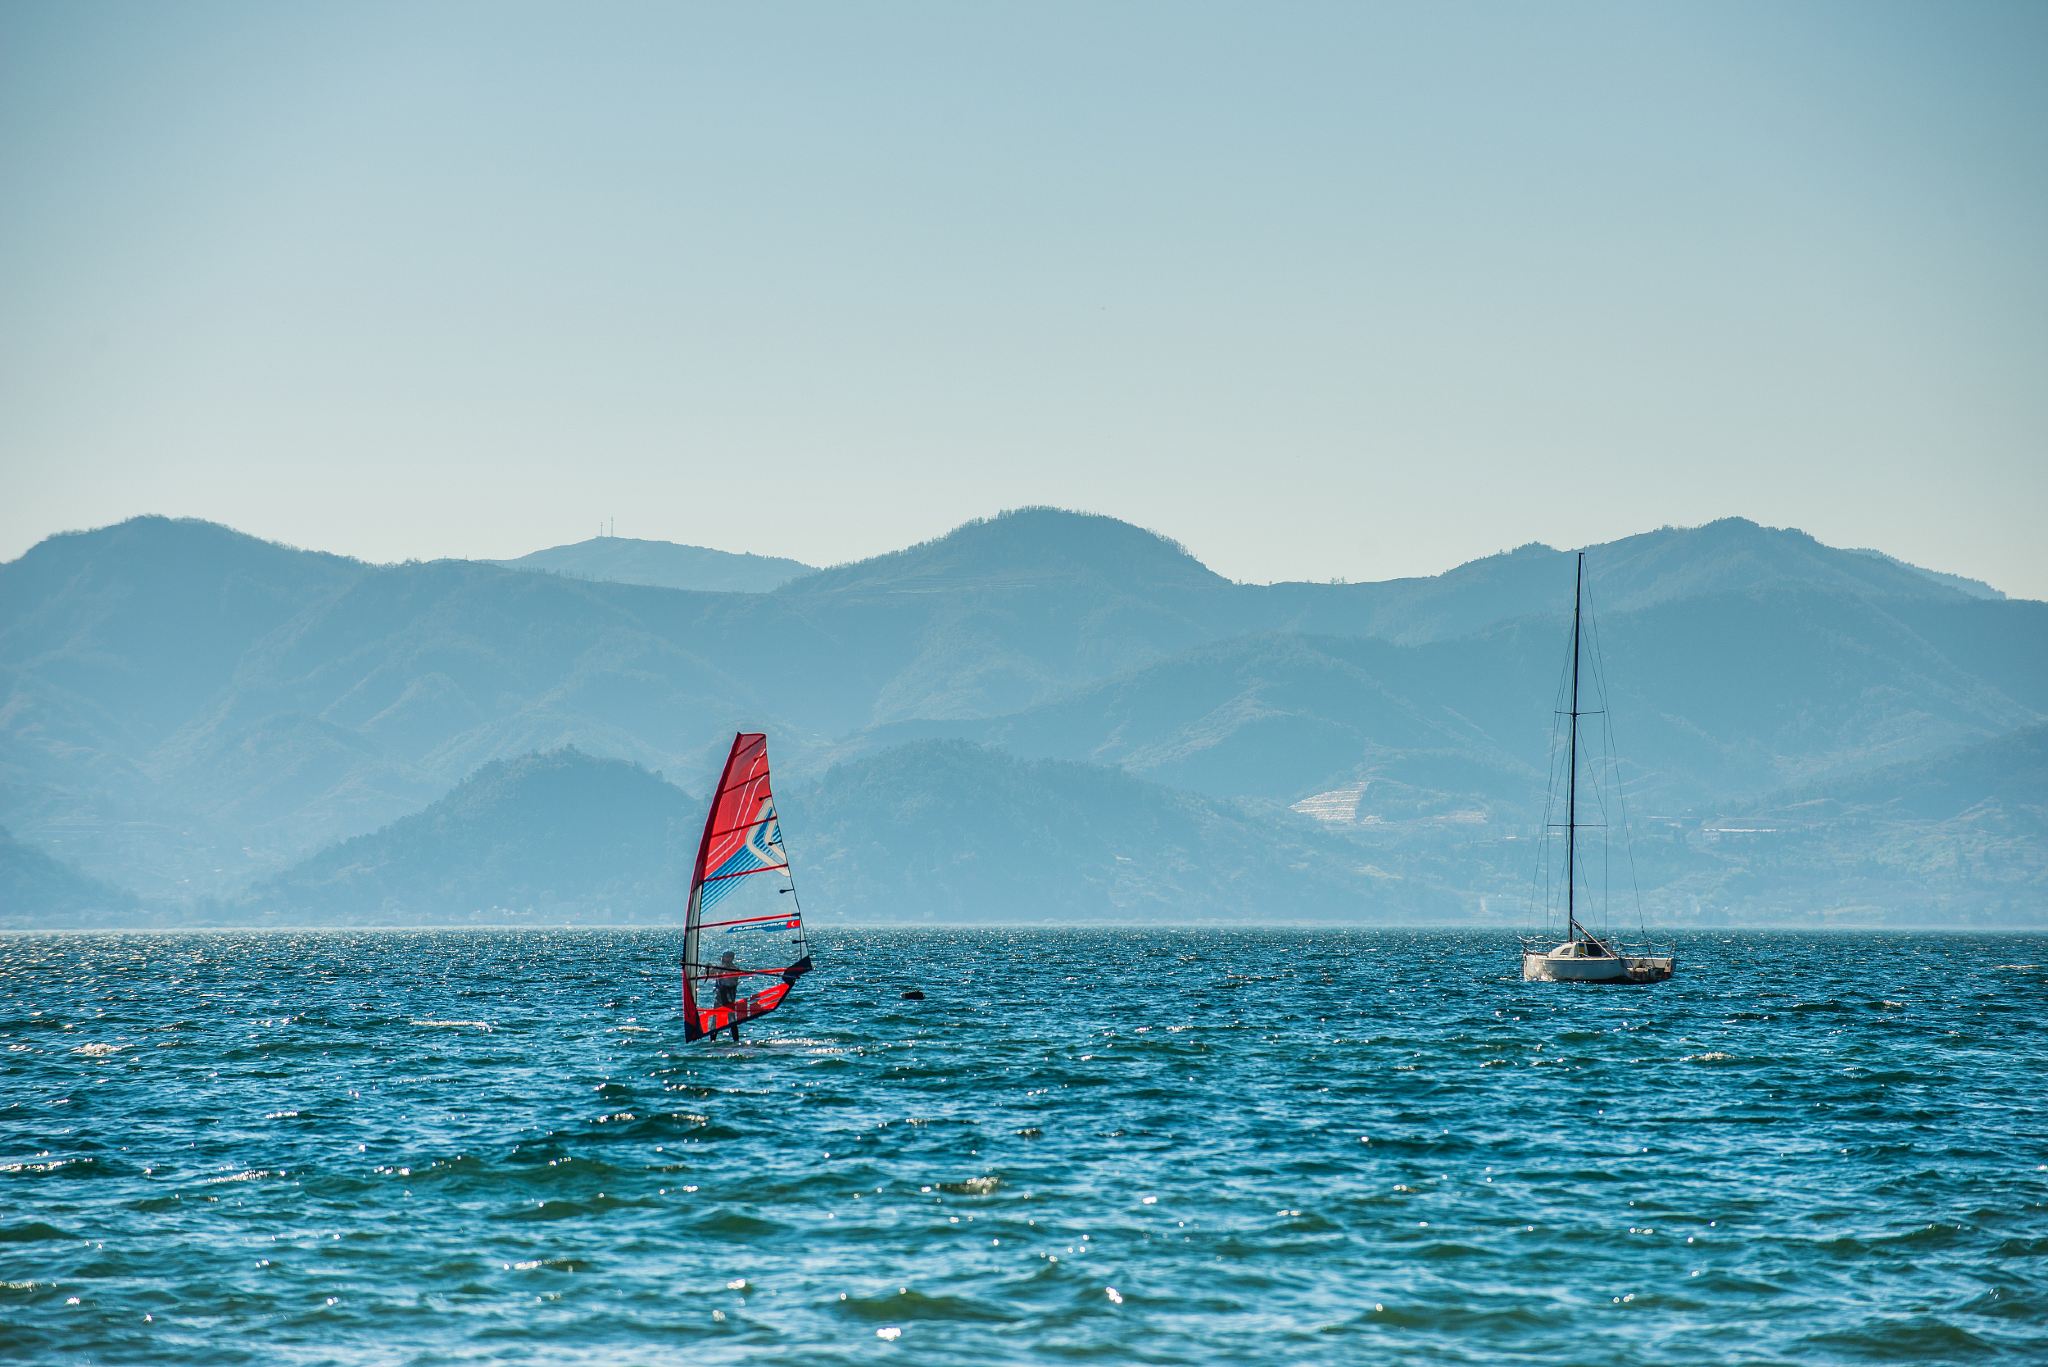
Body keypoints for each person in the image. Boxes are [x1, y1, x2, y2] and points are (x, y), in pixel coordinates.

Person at [712, 950, 742, 1042]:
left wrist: (723, 970)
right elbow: (711, 972)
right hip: (719, 997)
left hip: (729, 998)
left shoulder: (735, 968)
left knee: (732, 1020)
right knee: (715, 1020)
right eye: (724, 957)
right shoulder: (720, 967)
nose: (725, 959)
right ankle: (712, 1041)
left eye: (728, 957)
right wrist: (709, 967)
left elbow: (733, 982)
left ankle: (736, 1041)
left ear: (732, 958)